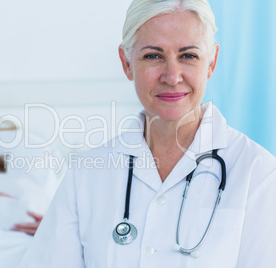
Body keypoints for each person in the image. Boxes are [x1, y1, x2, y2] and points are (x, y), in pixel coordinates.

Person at [20, 0, 276, 267]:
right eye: (153, 56)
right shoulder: (86, 174)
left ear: (211, 62)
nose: (172, 76)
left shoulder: (258, 173)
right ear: (127, 63)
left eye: (188, 56)